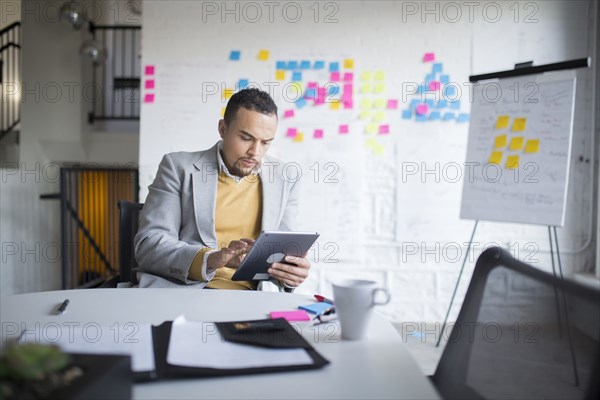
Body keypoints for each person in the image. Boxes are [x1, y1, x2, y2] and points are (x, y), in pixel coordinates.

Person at [134, 88, 311, 291]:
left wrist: (290, 275)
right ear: (223, 129)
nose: (255, 152)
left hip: (254, 299)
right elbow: (149, 246)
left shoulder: (285, 178)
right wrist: (211, 259)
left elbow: (285, 254)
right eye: (246, 138)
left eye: (265, 143)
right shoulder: (177, 167)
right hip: (186, 292)